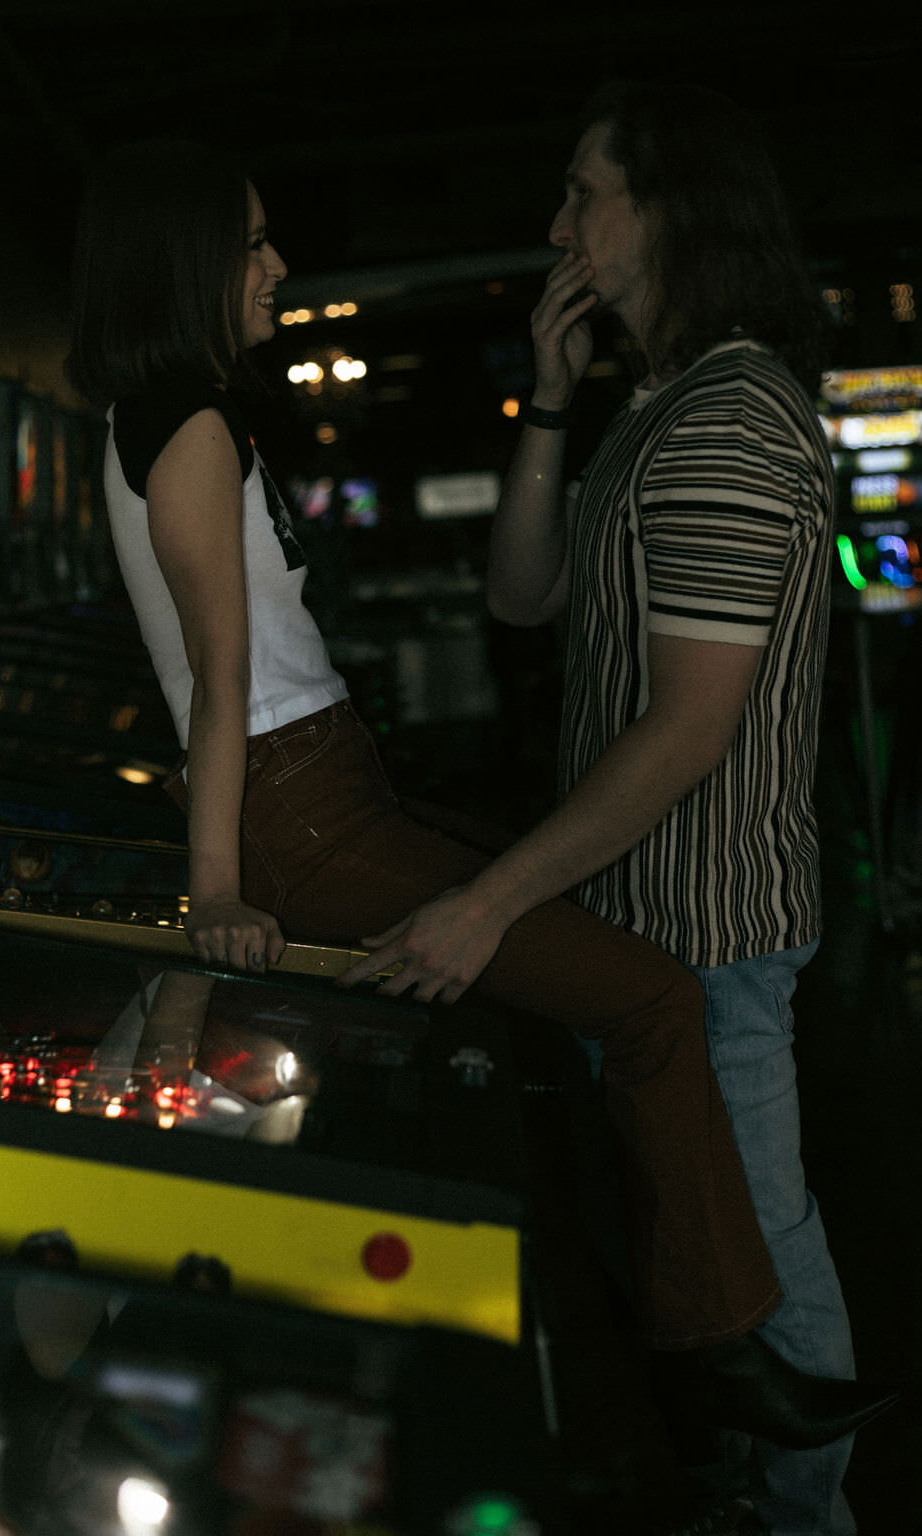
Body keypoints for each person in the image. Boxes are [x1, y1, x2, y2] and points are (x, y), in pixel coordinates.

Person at [64, 138, 891, 1463]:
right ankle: (719, 1358)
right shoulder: (193, 425)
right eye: (256, 245)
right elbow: (217, 686)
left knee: (570, 951)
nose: (278, 269)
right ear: (187, 261)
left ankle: (667, 1345)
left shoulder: (164, 417)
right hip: (299, 801)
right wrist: (210, 893)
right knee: (653, 996)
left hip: (317, 787)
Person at [441, 78, 864, 1536]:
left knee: (755, 1242)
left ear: (666, 209)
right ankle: (755, 1493)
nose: (557, 223)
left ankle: (814, 1516)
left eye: (582, 192)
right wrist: (549, 399)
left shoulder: (734, 416)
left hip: (713, 929)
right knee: (706, 1248)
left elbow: (690, 730)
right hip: (648, 923)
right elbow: (520, 594)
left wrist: (492, 900)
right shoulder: (663, 403)